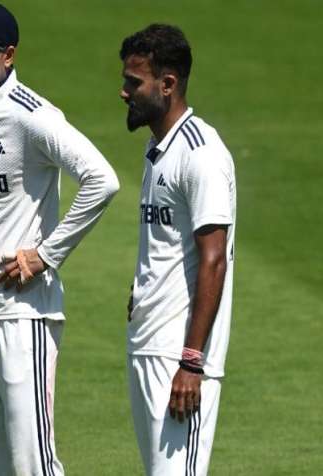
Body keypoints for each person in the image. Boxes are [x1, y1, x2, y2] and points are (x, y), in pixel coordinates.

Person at [0, 3, 120, 474]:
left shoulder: (33, 116)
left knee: (32, 464)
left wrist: (46, 255)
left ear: (8, 54)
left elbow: (102, 180)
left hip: (25, 315)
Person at [119, 24, 236, 476]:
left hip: (178, 356)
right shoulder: (159, 149)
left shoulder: (200, 154)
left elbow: (214, 259)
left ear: (167, 84)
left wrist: (192, 362)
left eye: (134, 82)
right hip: (148, 342)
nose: (124, 92)